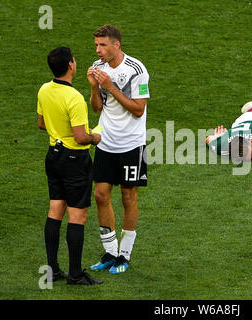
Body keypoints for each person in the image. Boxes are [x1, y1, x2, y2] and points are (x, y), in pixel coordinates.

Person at [87, 25, 150, 274]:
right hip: (105, 142)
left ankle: (125, 254)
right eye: (96, 45)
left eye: (102, 45)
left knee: (127, 197)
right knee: (101, 195)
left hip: (132, 144)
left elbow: (138, 109)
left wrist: (111, 87)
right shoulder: (98, 67)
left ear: (116, 45)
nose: (98, 50)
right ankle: (110, 251)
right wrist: (94, 86)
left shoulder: (137, 70)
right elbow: (96, 108)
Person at [37, 47, 103, 285]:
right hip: (75, 160)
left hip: (53, 156)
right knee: (77, 215)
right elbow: (80, 137)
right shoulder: (74, 97)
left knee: (55, 210)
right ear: (71, 66)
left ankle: (53, 270)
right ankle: (75, 274)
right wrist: (95, 137)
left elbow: (42, 124)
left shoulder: (44, 89)